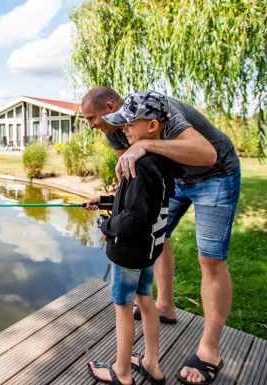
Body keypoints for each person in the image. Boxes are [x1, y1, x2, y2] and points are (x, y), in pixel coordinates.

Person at [82, 86, 240, 385]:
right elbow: (133, 180)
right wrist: (108, 200)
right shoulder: (116, 129)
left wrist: (148, 147)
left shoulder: (161, 111)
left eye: (92, 117)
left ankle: (210, 349)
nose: (92, 125)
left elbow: (207, 154)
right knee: (159, 235)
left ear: (109, 106)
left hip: (215, 174)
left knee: (210, 259)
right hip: (173, 179)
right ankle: (164, 305)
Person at [86, 91, 181, 385]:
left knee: (123, 309)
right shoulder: (160, 162)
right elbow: (140, 203)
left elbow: (132, 218)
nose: (123, 130)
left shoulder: (138, 165)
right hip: (149, 250)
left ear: (151, 126)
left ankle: (122, 371)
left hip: (128, 253)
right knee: (147, 301)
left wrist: (106, 226)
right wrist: (104, 199)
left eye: (129, 124)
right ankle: (152, 363)